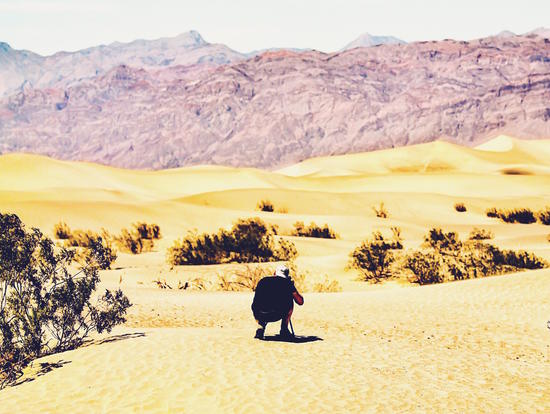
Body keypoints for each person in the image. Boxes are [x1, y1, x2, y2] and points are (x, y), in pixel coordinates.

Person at [251, 264, 304, 340]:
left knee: (261, 302)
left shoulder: (263, 281)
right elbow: (300, 302)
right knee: (290, 301)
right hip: (277, 314)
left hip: (258, 314)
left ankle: (261, 326)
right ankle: (284, 329)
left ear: (274, 273)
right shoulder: (287, 284)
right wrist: (291, 288)